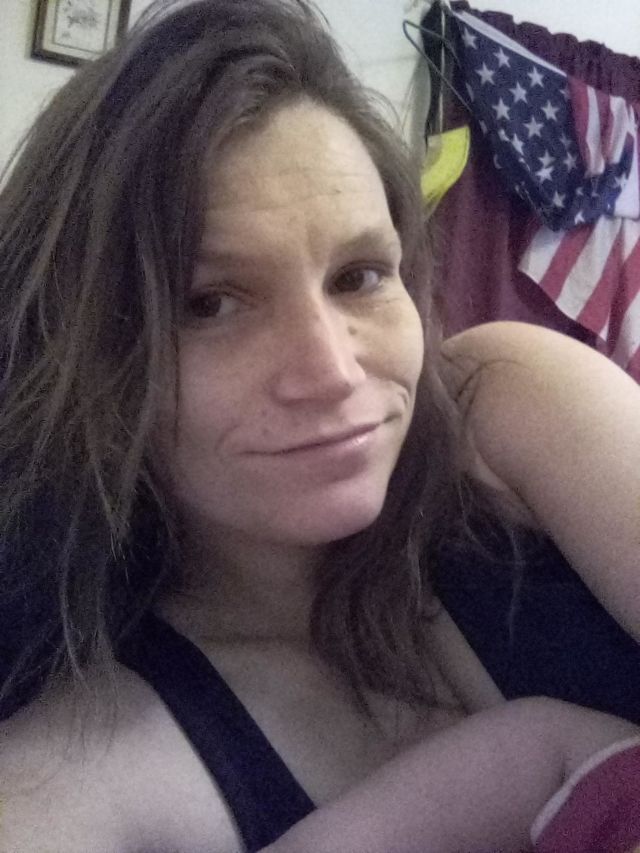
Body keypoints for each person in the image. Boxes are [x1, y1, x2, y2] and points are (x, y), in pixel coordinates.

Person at [0, 1, 638, 851]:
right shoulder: (81, 765)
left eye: (359, 275)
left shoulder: (505, 402)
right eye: (210, 302)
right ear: (75, 358)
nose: (334, 370)